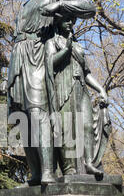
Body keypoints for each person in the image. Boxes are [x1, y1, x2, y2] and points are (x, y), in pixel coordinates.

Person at [7, 0, 96, 185]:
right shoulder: (24, 6)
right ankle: (36, 173)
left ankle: (48, 171)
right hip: (19, 59)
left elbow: (89, 7)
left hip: (39, 57)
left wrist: (59, 6)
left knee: (38, 114)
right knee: (22, 118)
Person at [45, 14, 109, 176]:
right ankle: (70, 168)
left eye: (72, 20)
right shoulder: (52, 42)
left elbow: (86, 73)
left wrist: (100, 89)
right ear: (58, 22)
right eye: (66, 19)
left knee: (87, 125)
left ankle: (89, 163)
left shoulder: (78, 45)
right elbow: (50, 63)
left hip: (81, 89)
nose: (70, 22)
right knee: (67, 129)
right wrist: (66, 49)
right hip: (63, 88)